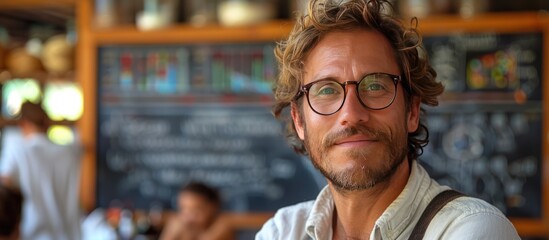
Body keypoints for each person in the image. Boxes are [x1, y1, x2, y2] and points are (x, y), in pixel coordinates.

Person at [256, 0, 520, 239]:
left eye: (375, 86)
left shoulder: (471, 230)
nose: (351, 114)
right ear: (299, 121)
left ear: (412, 111)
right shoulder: (282, 232)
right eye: (326, 90)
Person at [0, 101, 82, 240]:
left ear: (23, 123)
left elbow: (4, 189)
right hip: (69, 234)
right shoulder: (69, 153)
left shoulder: (19, 151)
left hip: (32, 234)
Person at [160, 182, 233, 240]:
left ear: (213, 207)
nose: (189, 215)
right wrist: (170, 233)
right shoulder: (178, 226)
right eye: (183, 209)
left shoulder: (222, 226)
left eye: (196, 210)